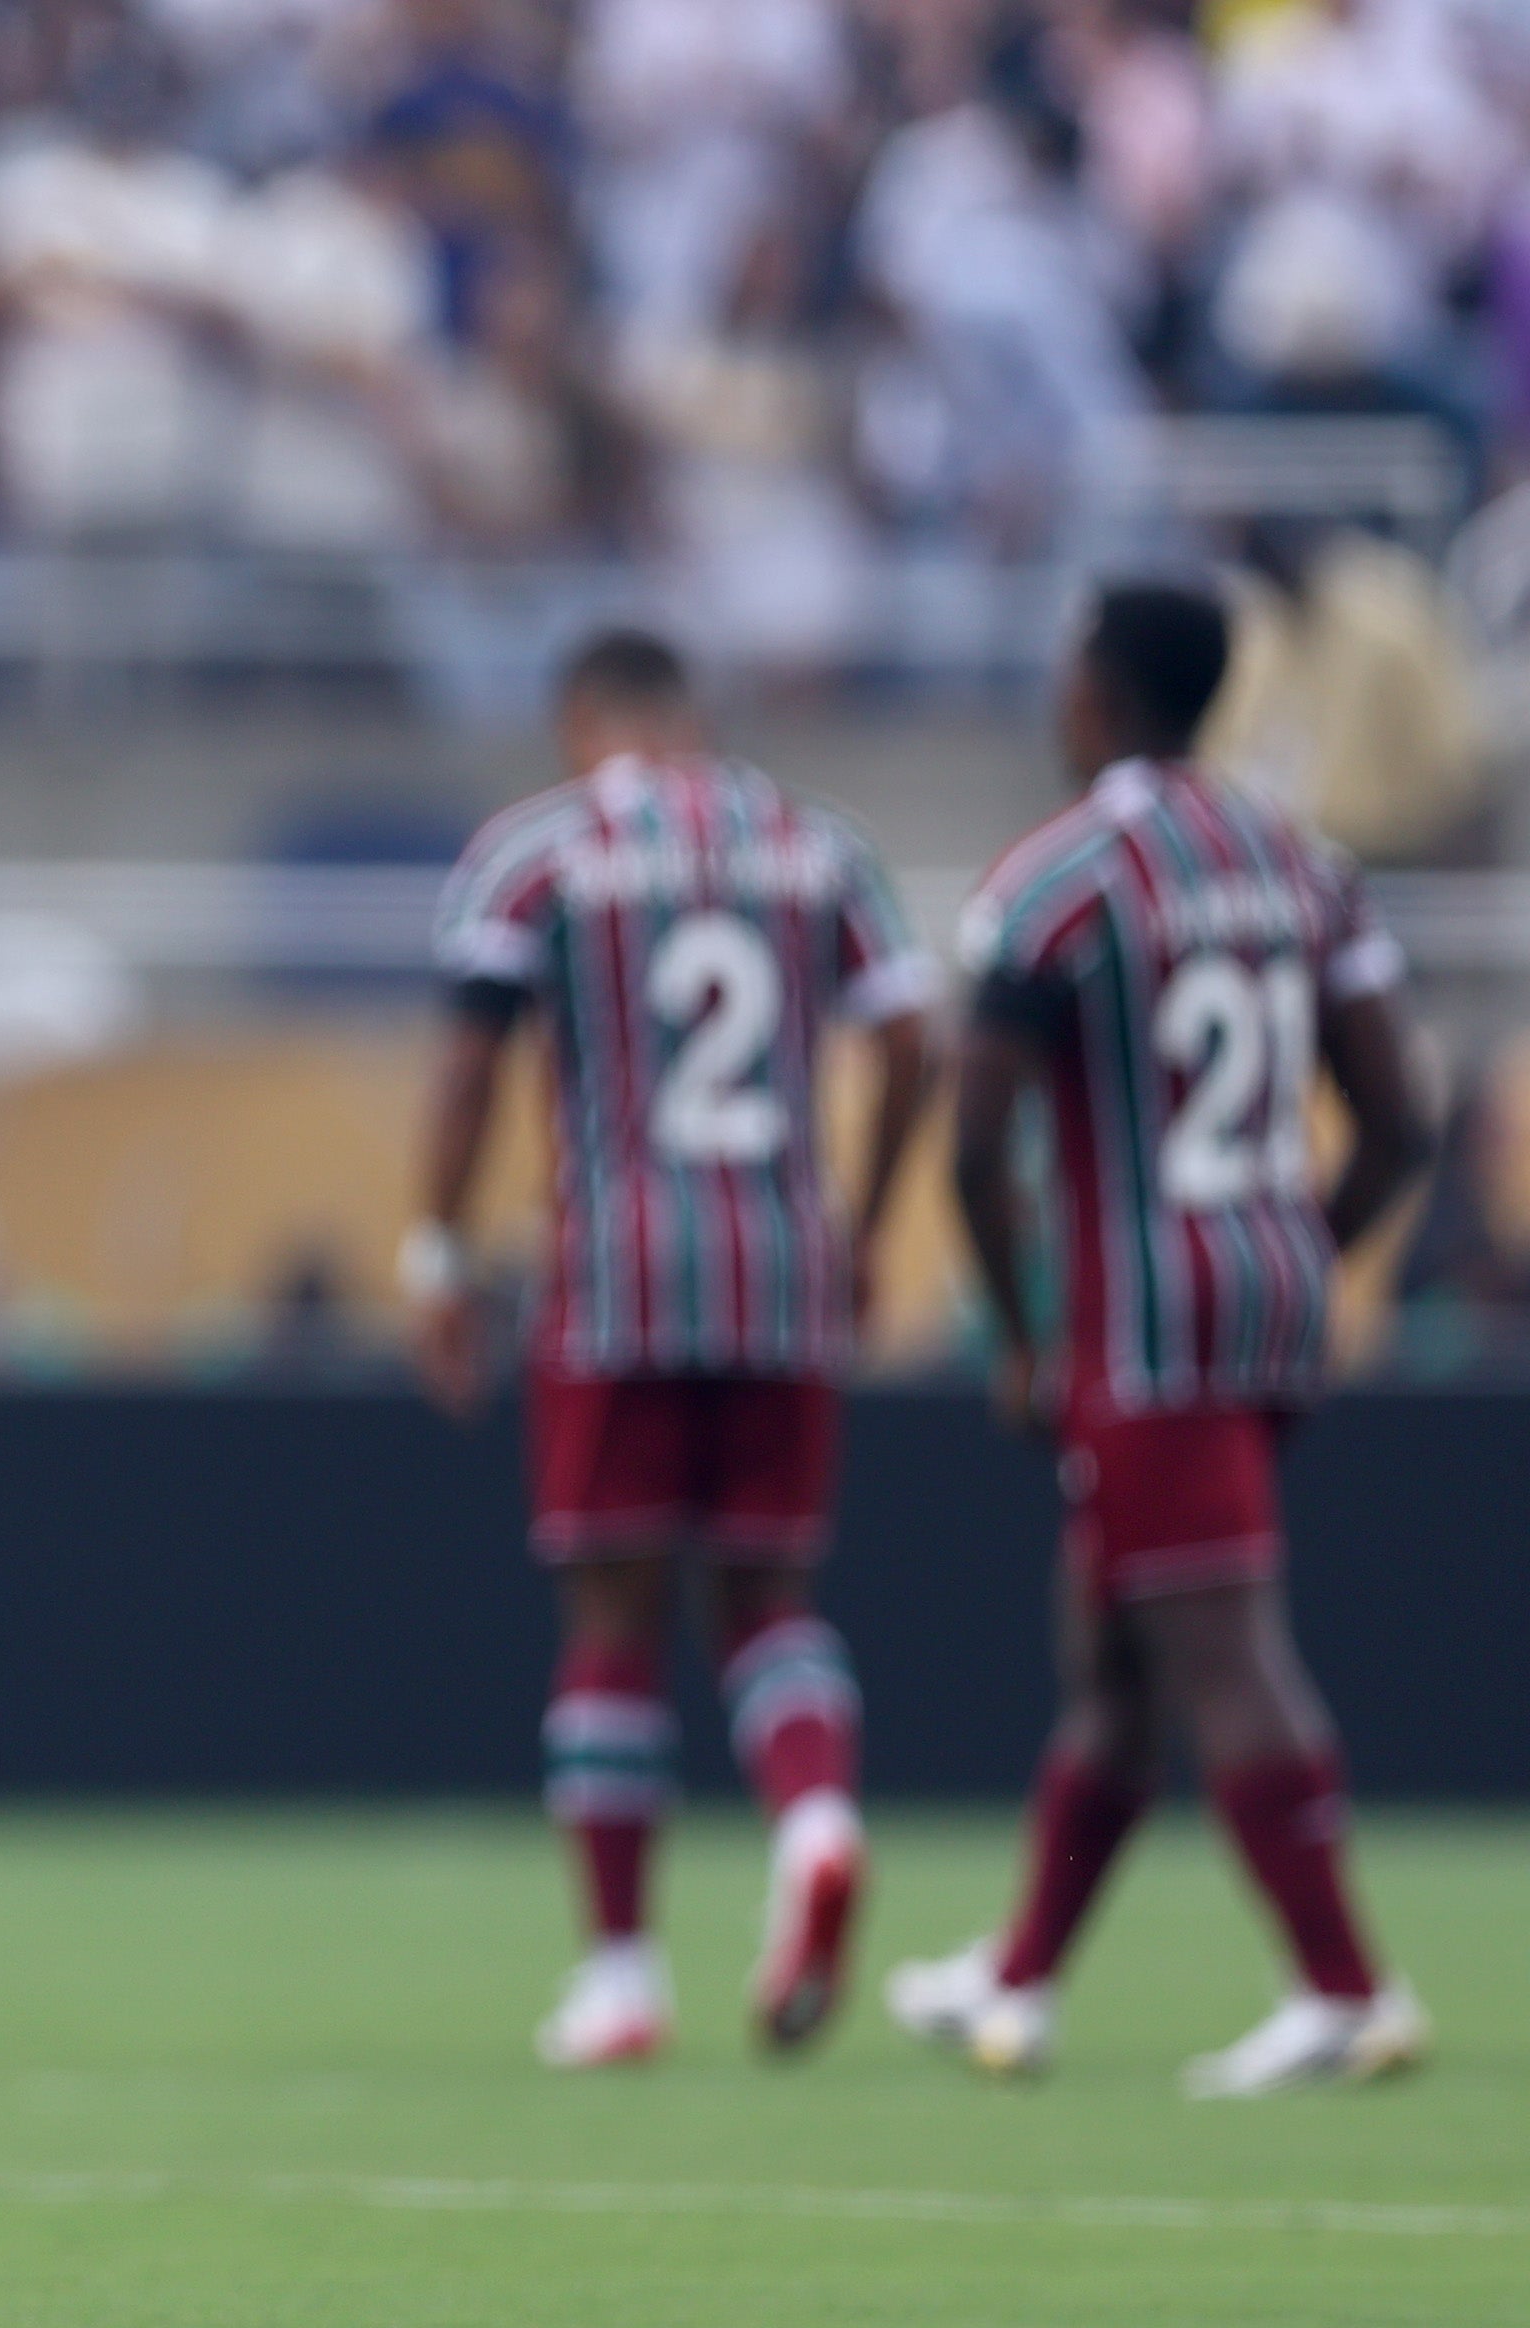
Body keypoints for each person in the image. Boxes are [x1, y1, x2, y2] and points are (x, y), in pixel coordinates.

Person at [885, 580, 1438, 2098]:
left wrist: (1018, 1334)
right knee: (1119, 1654)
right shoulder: (1299, 864)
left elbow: (975, 1145)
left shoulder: (1058, 878)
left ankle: (1345, 1986)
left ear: (1094, 696)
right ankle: (1021, 1977)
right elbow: (1402, 1117)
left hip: (1139, 1325)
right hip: (1264, 1299)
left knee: (1221, 1645)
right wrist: (1292, 1253)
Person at [405, 626, 936, 2069]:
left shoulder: (542, 850)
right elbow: (912, 1041)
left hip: (617, 1274)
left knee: (613, 1619)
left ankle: (624, 1977)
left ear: (581, 716)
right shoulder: (819, 846)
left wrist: (437, 1251)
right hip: (781, 1264)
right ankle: (817, 1821)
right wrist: (868, 1219)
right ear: (687, 714)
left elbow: (469, 1060)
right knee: (770, 1593)